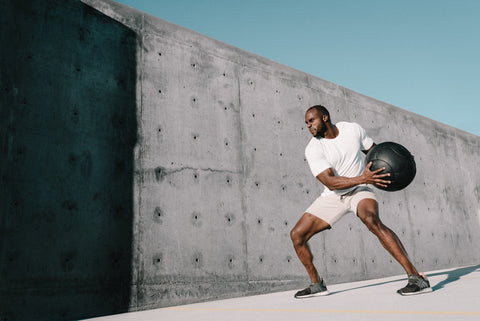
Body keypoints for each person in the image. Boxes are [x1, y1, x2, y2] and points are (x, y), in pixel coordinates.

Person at [290, 105, 432, 298]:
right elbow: (330, 182)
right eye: (306, 123)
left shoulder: (352, 130)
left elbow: (376, 153)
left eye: (311, 121)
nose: (308, 126)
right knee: (297, 235)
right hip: (334, 194)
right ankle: (317, 284)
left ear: (324, 118)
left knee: (372, 221)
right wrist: (363, 178)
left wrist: (401, 161)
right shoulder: (313, 148)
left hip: (360, 190)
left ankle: (417, 278)